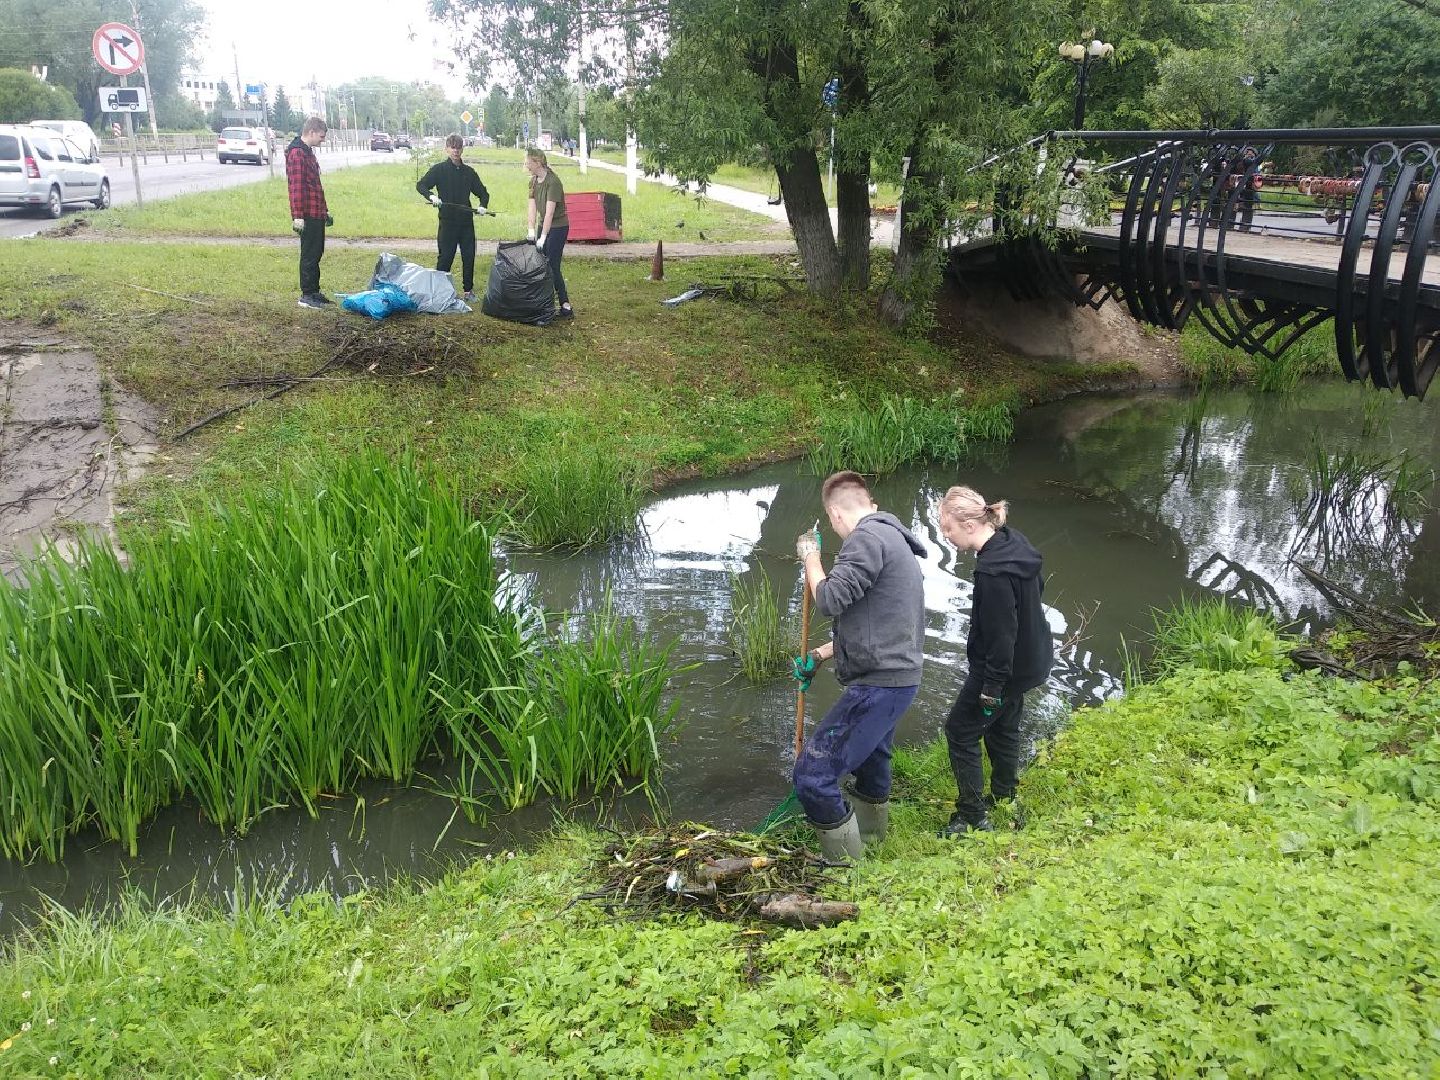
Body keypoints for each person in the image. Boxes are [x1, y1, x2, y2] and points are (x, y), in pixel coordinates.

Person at [792, 471, 927, 861]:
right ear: (871, 504)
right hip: (897, 679)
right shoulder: (893, 539)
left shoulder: (865, 539)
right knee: (871, 763)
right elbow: (878, 623)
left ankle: (848, 867)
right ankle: (871, 839)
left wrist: (812, 558)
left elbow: (830, 599)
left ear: (835, 514)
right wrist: (819, 654)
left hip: (880, 685)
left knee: (813, 776)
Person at [936, 486, 1054, 838]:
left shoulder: (992, 572)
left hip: (1006, 669)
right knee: (1003, 729)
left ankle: (972, 816)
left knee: (960, 732)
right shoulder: (1012, 542)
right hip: (1033, 660)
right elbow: (1038, 593)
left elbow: (1002, 635)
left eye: (948, 528)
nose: (946, 535)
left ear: (970, 524)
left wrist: (991, 688)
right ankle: (1005, 795)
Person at [416, 134, 491, 301]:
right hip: (448, 222)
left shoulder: (469, 172)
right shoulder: (439, 170)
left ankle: (468, 290)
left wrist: (482, 206)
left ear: (462, 149)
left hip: (465, 222)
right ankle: (438, 291)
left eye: (458, 147)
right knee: (446, 256)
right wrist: (431, 197)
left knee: (469, 256)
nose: (456, 151)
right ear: (447, 149)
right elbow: (421, 185)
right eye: (452, 147)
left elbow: (483, 193)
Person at [285, 116, 332, 310]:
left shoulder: (308, 152)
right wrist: (298, 215)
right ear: (311, 132)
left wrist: (325, 210)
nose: (322, 140)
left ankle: (314, 291)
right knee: (309, 254)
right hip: (307, 214)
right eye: (321, 137)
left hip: (316, 211)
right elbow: (296, 187)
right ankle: (306, 295)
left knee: (317, 252)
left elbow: (315, 186)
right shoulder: (297, 154)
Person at [525, 148, 573, 320]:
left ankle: (565, 305)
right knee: (541, 264)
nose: (526, 165)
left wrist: (543, 237)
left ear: (537, 163)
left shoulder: (553, 182)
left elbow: (550, 214)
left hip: (558, 227)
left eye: (528, 162)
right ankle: (544, 303)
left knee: (552, 265)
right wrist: (531, 230)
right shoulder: (533, 181)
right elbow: (532, 207)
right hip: (543, 225)